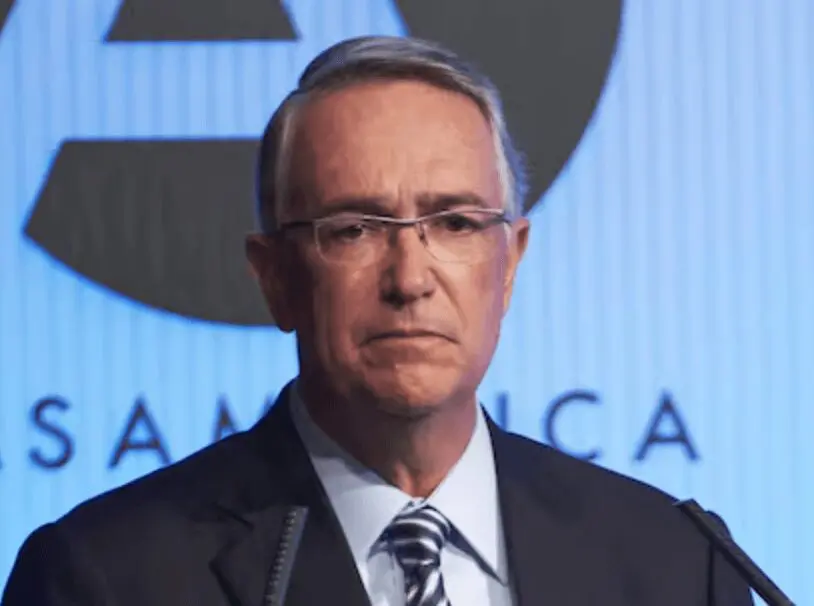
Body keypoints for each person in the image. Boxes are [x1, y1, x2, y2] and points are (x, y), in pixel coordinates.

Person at [2, 36, 752, 606]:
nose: (410, 279)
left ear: (511, 261)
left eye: (455, 222)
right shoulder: (103, 577)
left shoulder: (677, 563)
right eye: (354, 229)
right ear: (275, 279)